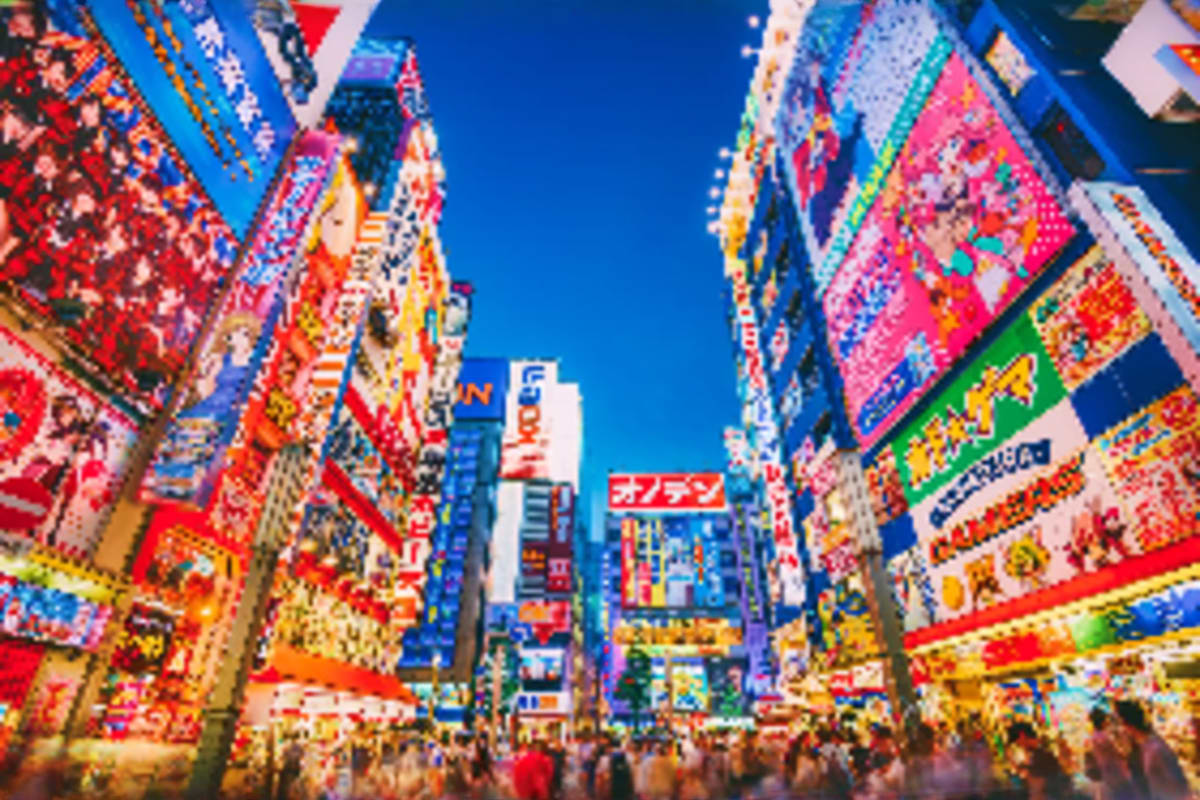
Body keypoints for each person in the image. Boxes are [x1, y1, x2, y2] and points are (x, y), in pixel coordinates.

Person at [1116, 699, 1193, 800]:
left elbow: (1179, 788)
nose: (1119, 729)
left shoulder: (1155, 749)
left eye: (1119, 723)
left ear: (1127, 725)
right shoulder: (1146, 745)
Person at [1008, 721, 1072, 800]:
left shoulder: (1041, 753)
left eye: (1017, 742)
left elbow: (1038, 782)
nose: (1019, 745)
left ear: (1022, 736)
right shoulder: (1037, 752)